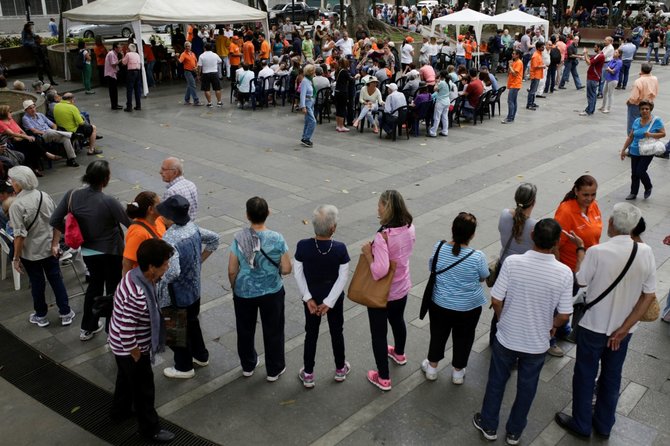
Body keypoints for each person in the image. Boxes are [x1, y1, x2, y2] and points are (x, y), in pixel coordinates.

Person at [555, 203, 656, 440]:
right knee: (612, 376)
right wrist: (624, 329)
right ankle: (604, 424)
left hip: (593, 326)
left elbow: (581, 280)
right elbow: (648, 295)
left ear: (610, 223)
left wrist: (580, 250)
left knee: (585, 375)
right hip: (623, 331)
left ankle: (581, 423)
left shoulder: (597, 252)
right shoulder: (646, 252)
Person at [474, 219, 573, 445]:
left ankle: (489, 425)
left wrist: (502, 319)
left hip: (507, 337)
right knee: (527, 388)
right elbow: (565, 314)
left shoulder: (512, 263)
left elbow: (497, 299)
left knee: (497, 381)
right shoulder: (564, 273)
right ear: (557, 242)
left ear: (532, 235)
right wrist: (553, 326)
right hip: (538, 343)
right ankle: (514, 432)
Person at [50, 160, 131, 340]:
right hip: (112, 251)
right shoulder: (109, 201)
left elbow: (54, 220)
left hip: (88, 252)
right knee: (113, 289)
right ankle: (112, 331)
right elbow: (129, 224)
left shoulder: (72, 195)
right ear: (105, 179)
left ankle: (88, 327)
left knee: (94, 287)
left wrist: (74, 232)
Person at [108, 238, 176, 443]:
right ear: (152, 267)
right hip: (130, 349)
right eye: (165, 263)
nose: (168, 266)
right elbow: (127, 329)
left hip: (121, 346)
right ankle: (149, 429)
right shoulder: (136, 293)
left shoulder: (136, 276)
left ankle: (119, 411)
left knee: (125, 380)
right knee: (144, 389)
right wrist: (137, 353)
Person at [228, 197, 291, 381]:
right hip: (272, 292)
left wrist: (235, 286)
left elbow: (232, 269)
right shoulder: (277, 238)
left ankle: (248, 365)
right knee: (274, 330)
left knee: (245, 330)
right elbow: (287, 268)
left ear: (247, 215)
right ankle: (274, 369)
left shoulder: (239, 238)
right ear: (268, 213)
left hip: (244, 292)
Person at [421, 212, 489, 385]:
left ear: (452, 229)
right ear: (472, 234)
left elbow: (432, 267)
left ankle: (432, 368)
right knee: (464, 338)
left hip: (439, 304)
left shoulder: (438, 247)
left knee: (438, 334)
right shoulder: (477, 256)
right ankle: (458, 373)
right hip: (468, 308)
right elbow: (484, 277)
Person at [156, 195, 219, 379]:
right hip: (194, 290)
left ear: (170, 217)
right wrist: (199, 262)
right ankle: (201, 356)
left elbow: (173, 271)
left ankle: (183, 367)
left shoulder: (170, 238)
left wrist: (160, 278)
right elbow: (215, 239)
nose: (161, 217)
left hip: (175, 294)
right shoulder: (193, 227)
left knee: (176, 331)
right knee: (192, 323)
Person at [7, 166, 74, 328]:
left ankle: (41, 315)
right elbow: (57, 222)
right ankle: (65, 312)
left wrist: (16, 258)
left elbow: (19, 236)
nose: (11, 183)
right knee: (56, 279)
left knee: (37, 283)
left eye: (13, 180)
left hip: (30, 253)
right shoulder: (44, 195)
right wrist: (55, 244)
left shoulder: (16, 205)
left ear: (20, 183)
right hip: (49, 248)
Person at [362, 190, 415, 391]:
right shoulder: (410, 227)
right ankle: (399, 354)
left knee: (378, 334)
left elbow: (379, 271)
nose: (377, 208)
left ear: (388, 208)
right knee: (398, 320)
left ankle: (383, 378)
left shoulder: (383, 236)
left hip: (382, 294)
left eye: (380, 205)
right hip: (402, 287)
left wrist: (368, 254)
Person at [293, 205, 351, 388]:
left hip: (311, 299)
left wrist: (308, 297)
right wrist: (329, 302)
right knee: (336, 331)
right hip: (334, 300)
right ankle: (340, 368)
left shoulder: (303, 246)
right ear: (333, 228)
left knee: (311, 333)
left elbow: (298, 273)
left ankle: (308, 373)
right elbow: (343, 277)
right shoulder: (340, 248)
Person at [489, 183, 538, 344]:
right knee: (516, 309)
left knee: (499, 306)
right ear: (533, 202)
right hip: (523, 272)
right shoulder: (534, 227)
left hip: (504, 266)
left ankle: (494, 338)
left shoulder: (504, 215)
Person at [619, 100, 665, 201]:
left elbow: (663, 134)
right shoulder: (636, 121)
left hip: (647, 150)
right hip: (635, 150)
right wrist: (623, 149)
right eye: (642, 109)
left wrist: (651, 134)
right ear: (639, 110)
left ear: (650, 110)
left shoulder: (656, 121)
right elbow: (631, 136)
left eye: (647, 109)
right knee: (634, 173)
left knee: (640, 171)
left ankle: (648, 186)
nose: (644, 111)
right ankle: (633, 193)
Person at [0, 104, 60, 176]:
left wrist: (26, 135)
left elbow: (20, 129)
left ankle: (37, 167)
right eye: (9, 112)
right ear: (4, 113)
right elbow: (13, 135)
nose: (11, 113)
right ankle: (46, 155)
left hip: (22, 138)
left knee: (32, 143)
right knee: (32, 143)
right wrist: (26, 137)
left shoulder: (11, 119)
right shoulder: (1, 123)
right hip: (15, 142)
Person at [21, 99, 78, 167]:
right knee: (49, 131)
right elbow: (34, 131)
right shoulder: (25, 118)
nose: (33, 109)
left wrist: (53, 131)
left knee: (65, 138)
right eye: (30, 108)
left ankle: (71, 160)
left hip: (52, 134)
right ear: (26, 110)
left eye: (33, 107)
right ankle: (71, 134)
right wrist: (46, 132)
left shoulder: (40, 115)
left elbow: (53, 125)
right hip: (41, 136)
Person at [122, 191, 166, 275]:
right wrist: (128, 286)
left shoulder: (159, 220)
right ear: (150, 209)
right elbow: (127, 263)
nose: (161, 206)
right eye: (158, 204)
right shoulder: (138, 233)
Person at [626, 63, 658, 135]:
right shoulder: (654, 78)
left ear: (641, 70)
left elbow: (634, 97)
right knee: (645, 122)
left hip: (637, 104)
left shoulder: (639, 81)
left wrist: (629, 102)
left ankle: (632, 141)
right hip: (649, 103)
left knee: (633, 124)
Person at [580, 43, 605, 116]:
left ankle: (589, 110)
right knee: (593, 94)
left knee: (590, 94)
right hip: (593, 76)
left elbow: (589, 62)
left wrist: (585, 53)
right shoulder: (598, 55)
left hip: (593, 77)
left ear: (599, 48)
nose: (594, 48)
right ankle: (591, 109)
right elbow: (589, 60)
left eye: (595, 47)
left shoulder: (600, 56)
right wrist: (586, 55)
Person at [428, 70, 455, 137]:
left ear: (441, 76)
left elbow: (435, 89)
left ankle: (433, 132)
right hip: (447, 101)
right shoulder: (450, 82)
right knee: (445, 117)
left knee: (437, 117)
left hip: (440, 101)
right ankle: (445, 131)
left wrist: (437, 82)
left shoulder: (442, 83)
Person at [197, 43, 223, 108]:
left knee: (207, 89)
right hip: (214, 73)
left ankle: (209, 103)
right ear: (212, 48)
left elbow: (199, 66)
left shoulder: (201, 56)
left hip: (205, 73)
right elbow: (220, 61)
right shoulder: (215, 55)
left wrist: (198, 74)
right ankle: (219, 102)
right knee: (217, 88)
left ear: (204, 48)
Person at [502, 50, 522, 124]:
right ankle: (512, 116)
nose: (512, 54)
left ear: (518, 55)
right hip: (512, 84)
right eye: (512, 53)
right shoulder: (514, 62)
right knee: (513, 101)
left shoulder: (519, 63)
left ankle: (510, 117)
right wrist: (510, 66)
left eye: (514, 54)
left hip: (515, 84)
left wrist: (510, 66)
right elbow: (509, 72)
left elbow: (515, 74)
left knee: (510, 101)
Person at [178, 42, 201, 106]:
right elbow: (180, 61)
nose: (187, 47)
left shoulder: (192, 53)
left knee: (189, 86)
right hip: (187, 71)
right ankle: (196, 101)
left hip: (193, 71)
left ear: (191, 47)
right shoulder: (183, 54)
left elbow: (196, 61)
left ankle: (187, 100)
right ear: (184, 47)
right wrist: (176, 58)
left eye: (188, 46)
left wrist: (196, 67)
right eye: (186, 46)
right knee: (192, 85)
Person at [299, 64, 317, 147]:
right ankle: (306, 138)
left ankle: (304, 137)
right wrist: (303, 106)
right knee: (313, 121)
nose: (314, 72)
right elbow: (302, 95)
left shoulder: (310, 80)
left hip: (311, 101)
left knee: (308, 121)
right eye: (313, 71)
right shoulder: (305, 81)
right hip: (307, 102)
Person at [121, 43, 142, 112]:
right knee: (137, 89)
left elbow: (124, 63)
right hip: (138, 72)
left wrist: (123, 55)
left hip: (131, 72)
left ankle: (129, 106)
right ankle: (138, 105)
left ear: (129, 49)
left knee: (129, 90)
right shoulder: (137, 54)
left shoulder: (128, 54)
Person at [600, 50, 622, 114]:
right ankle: (603, 106)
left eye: (616, 52)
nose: (614, 53)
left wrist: (609, 69)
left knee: (610, 94)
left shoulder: (619, 62)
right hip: (608, 78)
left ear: (619, 54)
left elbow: (613, 71)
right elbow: (608, 67)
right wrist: (609, 69)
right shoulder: (612, 60)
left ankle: (608, 108)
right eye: (615, 52)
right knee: (604, 92)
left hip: (613, 79)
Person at [334, 58, 352, 132]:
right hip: (343, 92)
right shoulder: (344, 71)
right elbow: (351, 80)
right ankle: (341, 126)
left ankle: (338, 125)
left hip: (337, 92)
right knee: (342, 109)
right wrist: (356, 76)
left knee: (338, 108)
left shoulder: (338, 70)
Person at [104, 42, 123, 110]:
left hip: (113, 73)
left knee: (114, 90)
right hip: (110, 74)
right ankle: (114, 105)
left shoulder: (114, 53)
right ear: (115, 48)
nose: (120, 49)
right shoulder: (112, 54)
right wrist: (121, 60)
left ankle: (115, 104)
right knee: (113, 90)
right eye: (119, 48)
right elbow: (113, 64)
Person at [526, 41, 545, 111]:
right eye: (542, 47)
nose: (543, 48)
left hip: (538, 74)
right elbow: (535, 66)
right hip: (535, 75)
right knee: (532, 90)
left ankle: (532, 102)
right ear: (538, 47)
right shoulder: (536, 55)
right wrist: (542, 66)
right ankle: (529, 104)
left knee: (534, 90)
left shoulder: (539, 54)